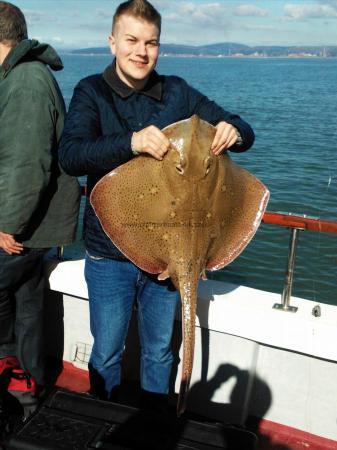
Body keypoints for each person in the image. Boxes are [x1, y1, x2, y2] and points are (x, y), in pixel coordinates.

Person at [59, 0, 254, 411]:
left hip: (173, 254)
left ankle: (157, 422)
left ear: (159, 47)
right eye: (131, 40)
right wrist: (130, 143)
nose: (141, 51)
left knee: (161, 351)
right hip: (109, 252)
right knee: (107, 351)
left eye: (151, 43)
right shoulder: (91, 92)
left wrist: (232, 130)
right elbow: (71, 155)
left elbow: (244, 129)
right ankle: (104, 417)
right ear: (112, 42)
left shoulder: (179, 93)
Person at [0, 2, 80, 391]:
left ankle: (15, 384)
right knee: (27, 308)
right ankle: (27, 390)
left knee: (19, 307)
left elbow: (26, 165)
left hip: (18, 228)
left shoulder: (26, 82)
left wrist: (4, 225)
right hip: (34, 226)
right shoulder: (22, 76)